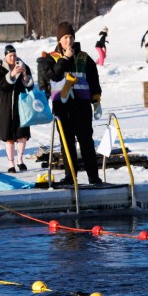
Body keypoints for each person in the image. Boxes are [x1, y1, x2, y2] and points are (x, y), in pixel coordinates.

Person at [37, 21, 103, 186]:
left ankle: (93, 177)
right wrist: (65, 58)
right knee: (67, 144)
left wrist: (96, 101)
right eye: (65, 37)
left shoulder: (84, 58)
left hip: (82, 107)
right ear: (59, 40)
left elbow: (94, 80)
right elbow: (52, 76)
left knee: (86, 142)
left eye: (70, 37)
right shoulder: (50, 58)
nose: (68, 40)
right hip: (62, 108)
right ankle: (70, 176)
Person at [0, 44, 33, 173]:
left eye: (14, 55)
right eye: (10, 56)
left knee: (22, 135)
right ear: (5, 56)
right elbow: (2, 86)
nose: (13, 58)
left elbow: (30, 86)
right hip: (6, 106)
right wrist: (13, 74)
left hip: (21, 105)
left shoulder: (23, 66)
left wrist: (25, 74)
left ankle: (20, 160)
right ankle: (11, 164)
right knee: (9, 136)